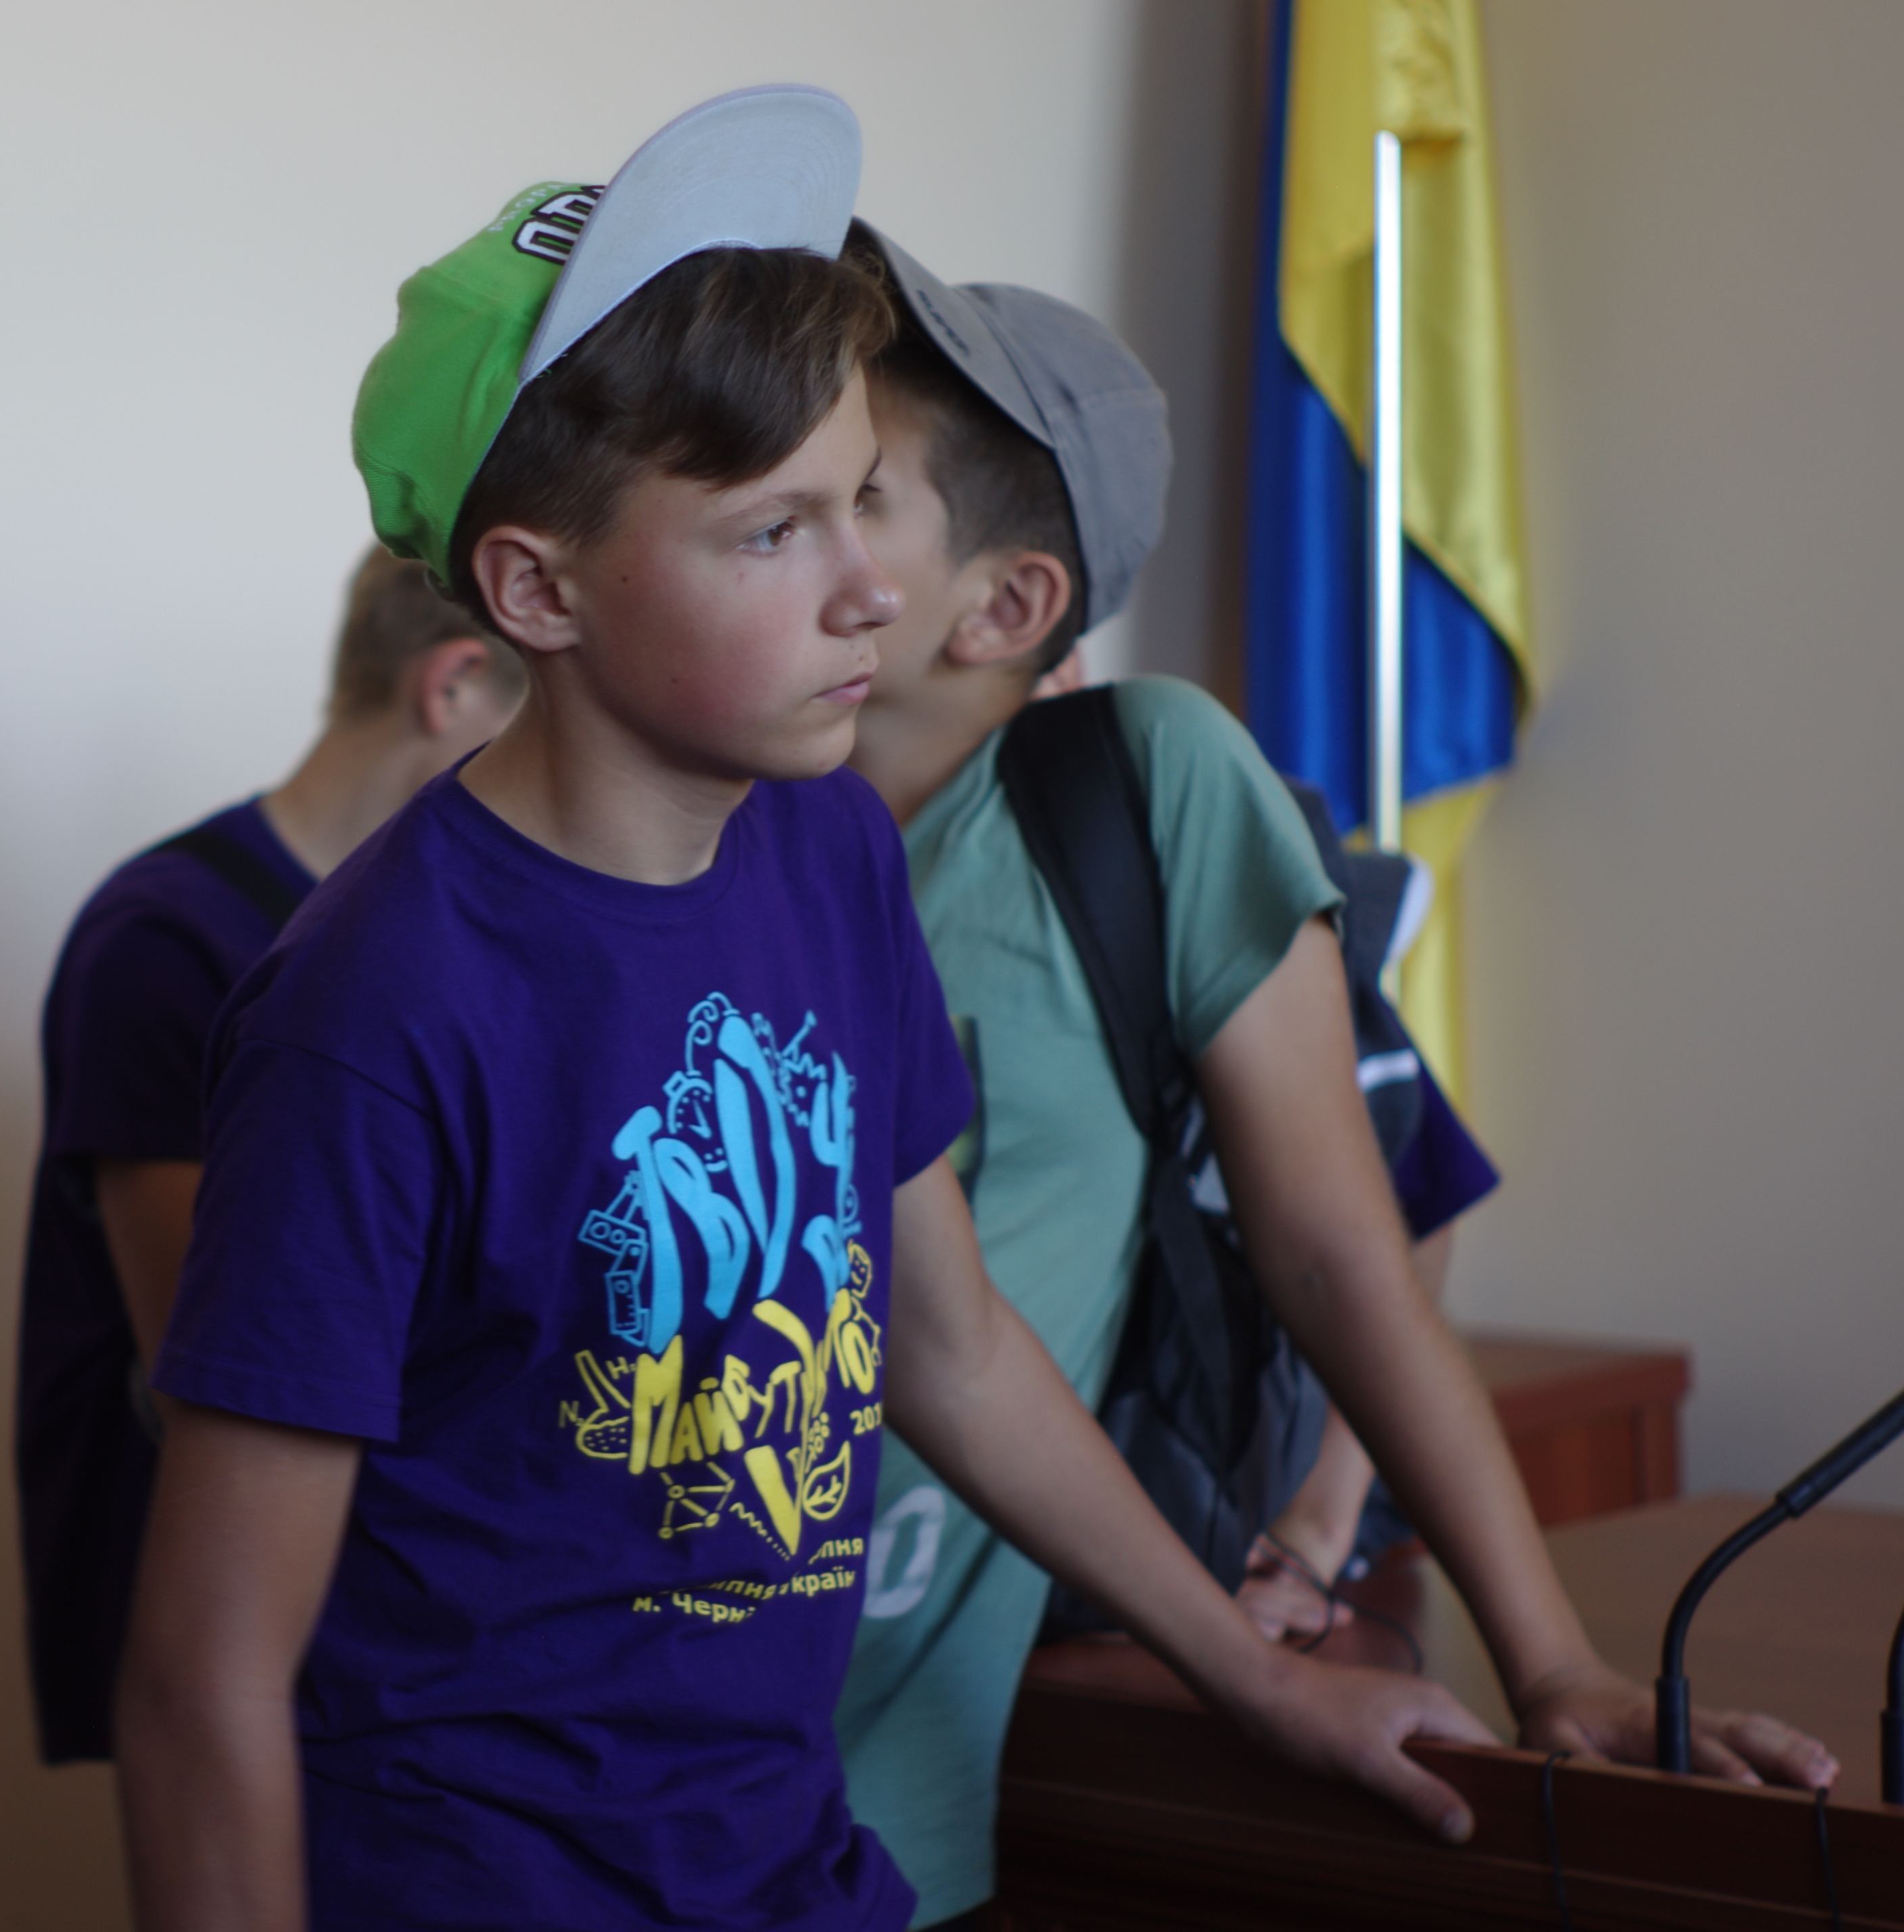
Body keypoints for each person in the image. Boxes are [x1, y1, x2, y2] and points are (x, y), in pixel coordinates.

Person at [114, 87, 1504, 1932]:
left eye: (859, 495)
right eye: (771, 533)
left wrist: (1255, 1677)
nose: (870, 586)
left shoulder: (824, 848)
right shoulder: (372, 1012)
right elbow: (202, 1679)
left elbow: (953, 1347)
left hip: (791, 1870)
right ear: (535, 588)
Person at [830, 222, 1836, 1928]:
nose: (787, 517)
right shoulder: (712, 815)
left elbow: (1335, 1253)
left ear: (1005, 607)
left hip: (885, 1780)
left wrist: (1549, 1663)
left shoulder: (1140, 783)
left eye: (856, 491)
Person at [16, 545, 520, 1764]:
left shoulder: (448, 938)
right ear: (452, 685)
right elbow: (211, 1355)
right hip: (248, 1627)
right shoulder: (166, 941)